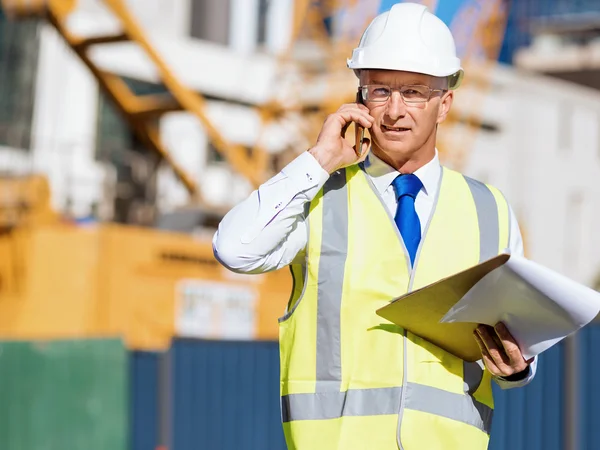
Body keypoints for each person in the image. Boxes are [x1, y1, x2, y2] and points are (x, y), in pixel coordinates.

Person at [213, 3, 536, 449]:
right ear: (360, 98)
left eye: (414, 92)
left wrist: (519, 367)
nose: (394, 111)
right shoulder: (319, 195)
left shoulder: (490, 210)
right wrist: (319, 160)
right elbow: (235, 249)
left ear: (445, 104)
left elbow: (521, 344)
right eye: (380, 91)